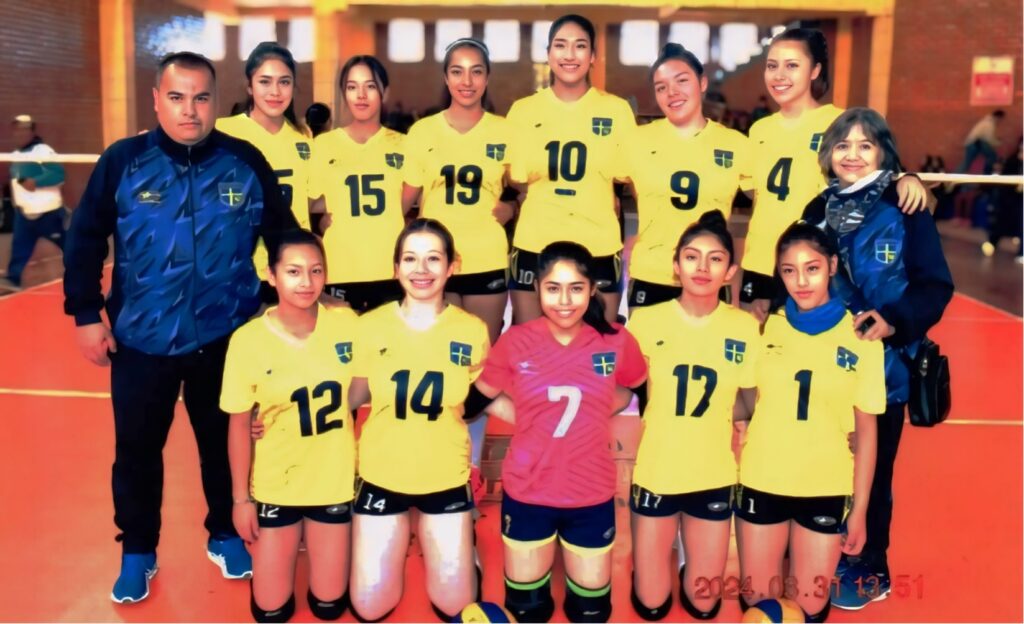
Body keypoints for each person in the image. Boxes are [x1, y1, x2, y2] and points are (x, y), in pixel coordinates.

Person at [62, 51, 297, 604]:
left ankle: (224, 532)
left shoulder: (244, 161)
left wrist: (291, 304)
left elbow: (283, 236)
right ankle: (137, 549)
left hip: (227, 337)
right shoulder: (124, 161)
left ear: (216, 100)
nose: (189, 110)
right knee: (137, 450)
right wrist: (85, 313)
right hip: (141, 339)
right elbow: (85, 238)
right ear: (156, 100)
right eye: (176, 97)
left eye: (200, 97)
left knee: (223, 443)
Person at [801, 107, 954, 611]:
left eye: (865, 145)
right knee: (824, 461)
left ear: (884, 152)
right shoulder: (815, 209)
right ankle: (822, 546)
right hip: (824, 366)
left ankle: (870, 564)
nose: (852, 155)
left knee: (875, 469)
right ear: (828, 153)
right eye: (843, 145)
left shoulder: (906, 204)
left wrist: (894, 320)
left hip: (886, 366)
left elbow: (935, 286)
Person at [475, 241, 648, 623]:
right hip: (528, 490)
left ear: (592, 290)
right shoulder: (516, 341)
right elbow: (474, 402)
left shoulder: (617, 340)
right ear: (537, 288)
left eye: (576, 288)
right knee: (527, 611)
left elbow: (639, 388)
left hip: (591, 493)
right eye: (553, 288)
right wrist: (531, 417)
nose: (565, 300)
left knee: (591, 613)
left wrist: (597, 409)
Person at [735, 222, 886, 623]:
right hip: (763, 478)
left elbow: (867, 432)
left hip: (825, 485)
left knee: (810, 608)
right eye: (789, 270)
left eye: (812, 268)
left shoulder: (862, 337)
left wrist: (860, 510)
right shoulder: (764, 326)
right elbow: (741, 397)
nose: (800, 281)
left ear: (832, 265)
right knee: (760, 609)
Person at [347, 218, 489, 621]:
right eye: (410, 259)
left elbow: (485, 398)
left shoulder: (472, 330)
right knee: (370, 608)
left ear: (452, 266)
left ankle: (465, 543)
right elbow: (351, 397)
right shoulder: (369, 326)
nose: (421, 269)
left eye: (433, 259)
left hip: (444, 474)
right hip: (382, 472)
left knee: (454, 606)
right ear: (395, 268)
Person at [740, 28, 926, 323]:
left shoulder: (840, 123)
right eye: (772, 66)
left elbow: (882, 174)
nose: (779, 75)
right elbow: (753, 193)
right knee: (764, 349)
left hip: (816, 265)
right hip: (761, 264)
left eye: (792, 65)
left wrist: (906, 178)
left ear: (815, 70)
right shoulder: (759, 130)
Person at [626, 210, 758, 621]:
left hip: (713, 475)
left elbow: (751, 403)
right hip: (657, 473)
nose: (702, 268)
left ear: (730, 271)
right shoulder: (645, 321)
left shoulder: (743, 327)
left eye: (715, 259)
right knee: (651, 605)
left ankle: (688, 557)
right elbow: (623, 393)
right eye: (691, 257)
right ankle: (657, 562)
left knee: (704, 605)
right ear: (676, 264)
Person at [222, 229, 356, 623]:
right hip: (276, 482)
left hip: (331, 479)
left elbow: (364, 387)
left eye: (316, 270)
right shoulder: (247, 340)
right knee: (271, 611)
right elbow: (237, 425)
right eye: (293, 271)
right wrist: (241, 500)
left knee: (329, 606)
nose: (307, 282)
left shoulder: (347, 325)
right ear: (271, 274)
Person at [506, 14, 636, 324]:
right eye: (561, 45)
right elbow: (514, 176)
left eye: (580, 46)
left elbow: (628, 176)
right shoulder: (524, 111)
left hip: (598, 244)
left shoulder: (616, 111)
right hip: (535, 241)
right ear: (548, 53)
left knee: (598, 344)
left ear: (593, 56)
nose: (569, 54)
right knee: (532, 344)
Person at [402, 37, 514, 345]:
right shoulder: (422, 131)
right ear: (445, 77)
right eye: (457, 71)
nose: (467, 81)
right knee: (438, 352)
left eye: (476, 71)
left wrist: (513, 207)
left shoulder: (506, 131)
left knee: (483, 352)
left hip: (487, 256)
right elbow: (402, 202)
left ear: (487, 78)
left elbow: (530, 186)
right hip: (435, 257)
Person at [623, 44, 752, 311]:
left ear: (702, 83)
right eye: (661, 87)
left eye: (682, 81)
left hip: (710, 277)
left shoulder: (736, 145)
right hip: (652, 273)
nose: (672, 92)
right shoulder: (635, 141)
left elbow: (766, 205)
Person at [310, 55, 408, 313]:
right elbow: (310, 203)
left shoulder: (404, 144)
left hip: (390, 269)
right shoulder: (323, 144)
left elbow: (410, 200)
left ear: (385, 92)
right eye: (352, 87)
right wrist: (322, 221)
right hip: (339, 269)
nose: (361, 95)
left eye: (370, 86)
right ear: (343, 93)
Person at [217, 42, 313, 303]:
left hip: (291, 269)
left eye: (284, 82)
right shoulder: (223, 132)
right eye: (264, 82)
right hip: (239, 269)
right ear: (249, 86)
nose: (275, 91)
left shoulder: (303, 139)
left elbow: (312, 198)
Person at [0, 114, 68, 293]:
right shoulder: (16, 154)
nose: (20, 133)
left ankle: (86, 269)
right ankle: (13, 279)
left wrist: (36, 182)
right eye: (17, 129)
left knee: (68, 245)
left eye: (24, 129)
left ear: (32, 131)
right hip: (25, 213)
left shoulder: (43, 150)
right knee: (19, 249)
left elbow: (59, 175)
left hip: (48, 213)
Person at [982, 137, 1023, 260]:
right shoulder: (1013, 160)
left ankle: (1021, 253)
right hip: (1010, 199)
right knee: (1001, 224)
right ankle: (992, 243)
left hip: (1020, 200)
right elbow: (1005, 181)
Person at [958, 110, 1005, 174]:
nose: (1000, 121)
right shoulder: (989, 124)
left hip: (973, 143)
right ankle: (987, 174)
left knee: (967, 162)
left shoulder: (986, 121)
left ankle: (955, 176)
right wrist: (998, 142)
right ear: (998, 117)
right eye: (1000, 119)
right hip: (976, 143)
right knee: (992, 156)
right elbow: (989, 138)